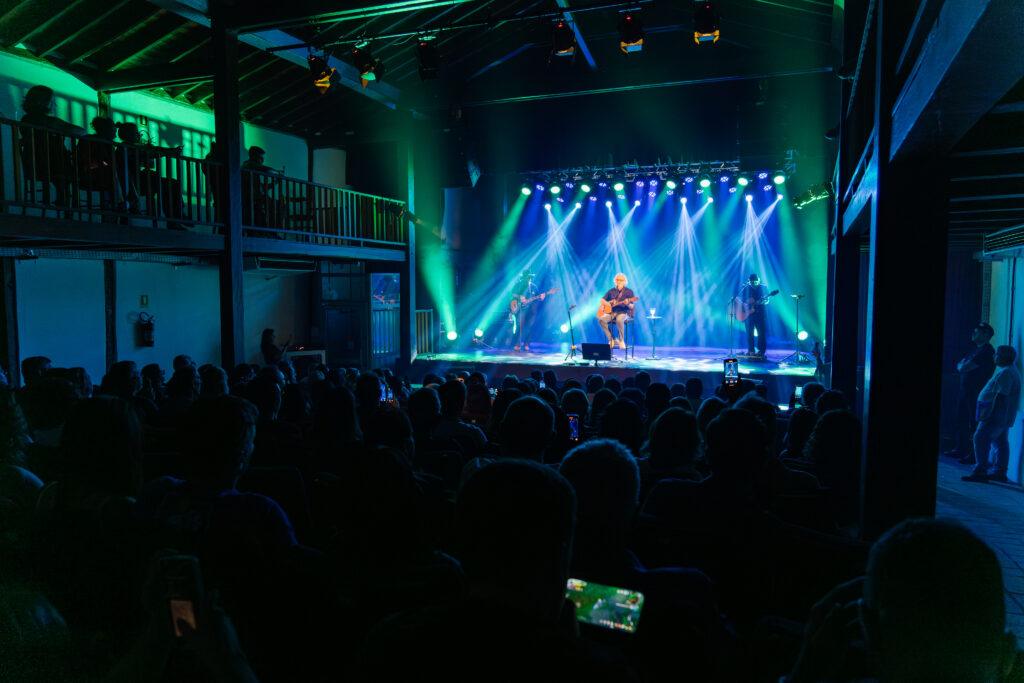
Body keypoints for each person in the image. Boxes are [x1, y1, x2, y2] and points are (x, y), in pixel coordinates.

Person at [963, 345, 1021, 483]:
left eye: (996, 354)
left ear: (1003, 357)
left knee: (980, 438)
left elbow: (1001, 396)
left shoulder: (1006, 373)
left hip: (995, 415)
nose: (993, 356)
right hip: (1002, 416)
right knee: (1000, 442)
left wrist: (990, 415)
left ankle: (981, 470)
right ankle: (999, 472)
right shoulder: (1011, 371)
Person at [19, 85, 84, 205]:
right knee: (70, 168)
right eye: (52, 101)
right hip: (47, 164)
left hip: (36, 163)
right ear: (43, 102)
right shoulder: (44, 121)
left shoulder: (26, 119)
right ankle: (65, 202)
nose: (55, 104)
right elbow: (80, 131)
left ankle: (61, 199)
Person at [944, 323, 996, 464]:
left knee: (974, 424)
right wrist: (962, 366)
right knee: (960, 420)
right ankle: (960, 449)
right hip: (965, 391)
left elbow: (963, 367)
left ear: (986, 335)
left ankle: (973, 455)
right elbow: (961, 365)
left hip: (975, 394)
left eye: (976, 332)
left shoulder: (986, 351)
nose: (973, 334)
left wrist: (962, 366)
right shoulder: (974, 350)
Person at [509, 268, 545, 351]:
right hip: (521, 309)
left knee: (529, 327)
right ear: (523, 277)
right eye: (526, 277)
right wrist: (519, 297)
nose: (527, 279)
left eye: (529, 277)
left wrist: (541, 297)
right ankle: (517, 344)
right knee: (519, 327)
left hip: (531, 310)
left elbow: (538, 297)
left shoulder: (533, 287)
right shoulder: (518, 285)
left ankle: (526, 345)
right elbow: (512, 294)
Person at [598, 273, 636, 350]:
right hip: (612, 312)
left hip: (624, 312)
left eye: (621, 280)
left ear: (624, 281)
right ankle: (612, 339)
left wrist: (627, 303)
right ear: (615, 281)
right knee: (601, 320)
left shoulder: (629, 292)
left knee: (619, 319)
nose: (619, 281)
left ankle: (621, 341)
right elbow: (602, 299)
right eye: (617, 280)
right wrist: (607, 304)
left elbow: (632, 306)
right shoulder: (611, 291)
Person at [738, 273, 769, 357]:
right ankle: (751, 350)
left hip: (760, 313)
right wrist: (748, 301)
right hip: (749, 314)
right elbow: (740, 299)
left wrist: (761, 301)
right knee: (749, 333)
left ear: (758, 280)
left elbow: (767, 300)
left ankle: (761, 351)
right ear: (749, 282)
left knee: (761, 333)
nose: (754, 283)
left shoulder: (764, 287)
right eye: (752, 282)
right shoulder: (746, 288)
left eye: (755, 282)